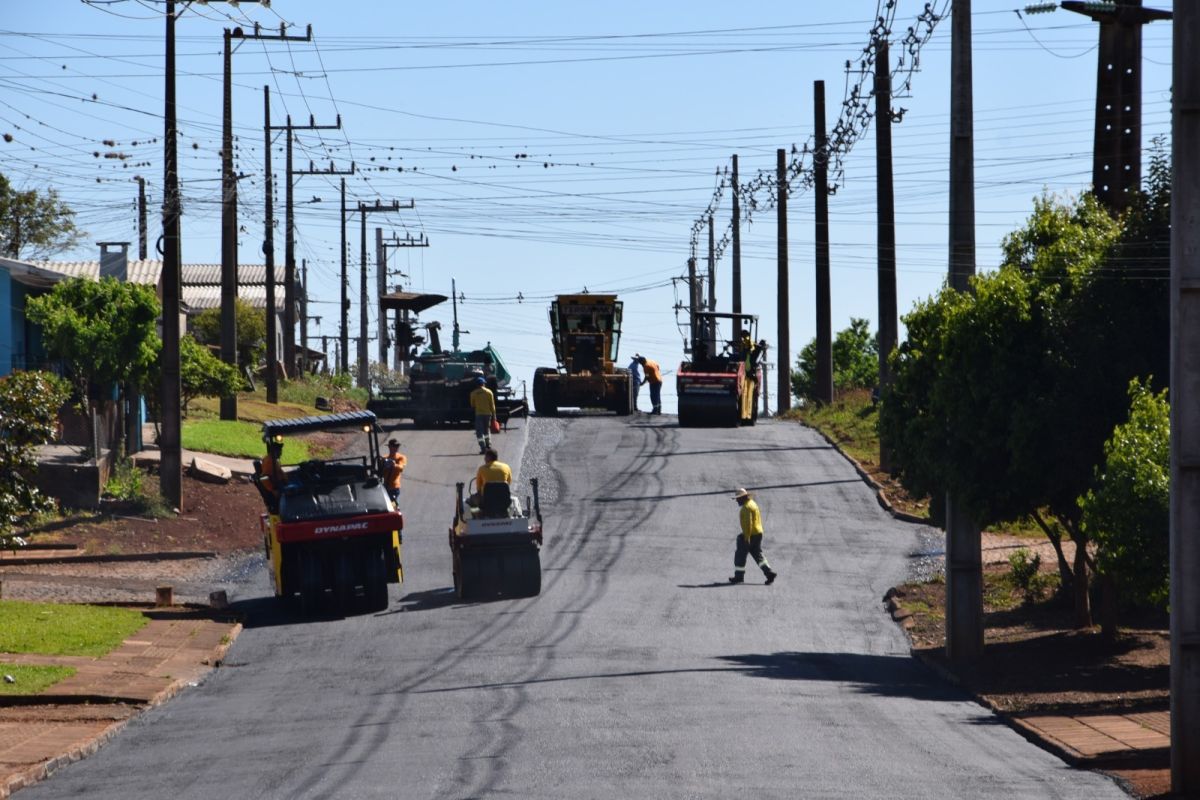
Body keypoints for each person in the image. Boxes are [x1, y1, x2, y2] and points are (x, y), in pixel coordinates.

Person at [729, 488, 777, 585]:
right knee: (757, 554)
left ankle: (739, 577)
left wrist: (746, 538)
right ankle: (769, 573)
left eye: (738, 498)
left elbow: (748, 524)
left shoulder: (746, 508)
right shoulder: (753, 504)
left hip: (750, 534)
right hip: (758, 533)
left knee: (740, 555)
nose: (737, 501)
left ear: (743, 497)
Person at [469, 375, 496, 454]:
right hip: (488, 414)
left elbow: (472, 405)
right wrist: (494, 416)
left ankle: (483, 448)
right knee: (486, 430)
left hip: (479, 414)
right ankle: (488, 446)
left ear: (477, 384)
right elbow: (492, 405)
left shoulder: (473, 393)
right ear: (484, 384)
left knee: (479, 432)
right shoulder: (489, 392)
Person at [258, 437, 288, 504]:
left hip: (281, 484)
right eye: (280, 451)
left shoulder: (272, 459)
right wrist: (274, 490)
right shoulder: (270, 462)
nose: (281, 453)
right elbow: (263, 478)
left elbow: (279, 472)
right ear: (275, 451)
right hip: (278, 487)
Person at [382, 438, 407, 506]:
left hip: (394, 487)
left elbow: (401, 468)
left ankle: (396, 512)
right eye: (394, 446)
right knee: (385, 505)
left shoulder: (401, 457)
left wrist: (394, 465)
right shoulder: (384, 458)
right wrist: (384, 466)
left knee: (393, 504)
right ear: (389, 447)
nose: (396, 448)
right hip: (385, 486)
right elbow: (380, 472)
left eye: (397, 446)